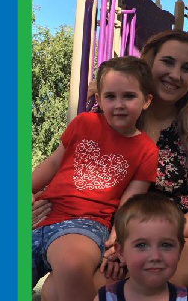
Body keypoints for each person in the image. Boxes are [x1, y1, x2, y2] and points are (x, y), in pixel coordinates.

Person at [35, 31, 188, 301]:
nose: (175, 74)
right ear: (148, 65)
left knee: (136, 283)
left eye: (186, 69)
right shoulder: (106, 119)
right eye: (168, 62)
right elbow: (66, 170)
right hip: (110, 240)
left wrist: (146, 238)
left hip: (178, 240)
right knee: (56, 288)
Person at [32, 56, 159, 301]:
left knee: (72, 265)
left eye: (129, 96)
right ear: (99, 100)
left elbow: (130, 202)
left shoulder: (146, 150)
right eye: (110, 97)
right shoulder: (84, 123)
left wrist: (118, 237)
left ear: (146, 101)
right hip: (43, 214)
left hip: (86, 223)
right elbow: (53, 163)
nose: (119, 104)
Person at [93, 192, 188, 301]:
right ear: (120, 252)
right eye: (141, 245)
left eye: (166, 245)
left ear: (179, 250)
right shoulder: (105, 298)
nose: (155, 256)